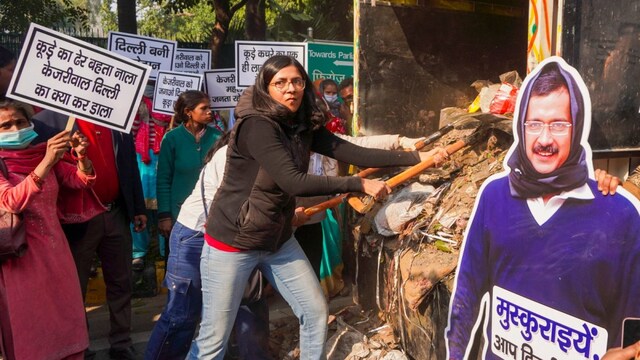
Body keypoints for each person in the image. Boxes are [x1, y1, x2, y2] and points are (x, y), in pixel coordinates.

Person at [187, 55, 447, 359]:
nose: (290, 89)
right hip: (232, 242)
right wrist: (356, 184)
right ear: (266, 88)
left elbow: (350, 150)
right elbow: (293, 181)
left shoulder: (302, 123)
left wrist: (417, 158)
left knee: (314, 312)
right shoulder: (257, 125)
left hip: (277, 238)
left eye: (297, 81)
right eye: (280, 83)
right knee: (213, 340)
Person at [445, 57, 640, 360]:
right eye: (534, 124)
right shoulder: (495, 197)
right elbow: (466, 295)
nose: (544, 139)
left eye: (558, 125)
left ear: (576, 129)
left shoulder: (618, 215)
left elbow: (632, 327)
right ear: (522, 126)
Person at [145, 131, 284, 360]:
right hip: (196, 237)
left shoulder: (261, 154)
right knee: (182, 315)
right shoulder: (232, 155)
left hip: (233, 237)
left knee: (248, 302)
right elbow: (234, 207)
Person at [32, 110, 148, 359]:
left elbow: (129, 166)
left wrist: (137, 207)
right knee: (76, 286)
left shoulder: (116, 120)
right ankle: (79, 345)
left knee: (121, 281)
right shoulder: (48, 121)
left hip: (116, 212)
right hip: (77, 221)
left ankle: (121, 341)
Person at [0, 100, 100, 359]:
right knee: (32, 326)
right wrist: (46, 161)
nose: (15, 128)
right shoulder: (11, 163)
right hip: (21, 260)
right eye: (5, 125)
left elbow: (81, 180)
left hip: (56, 253)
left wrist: (81, 155)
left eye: (20, 122)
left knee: (65, 317)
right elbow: (11, 201)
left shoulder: (43, 153)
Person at [156, 90, 222, 254]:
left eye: (210, 108)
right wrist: (165, 216)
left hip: (213, 214)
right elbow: (163, 179)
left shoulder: (218, 137)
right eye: (203, 108)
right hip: (179, 214)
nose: (209, 112)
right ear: (188, 112)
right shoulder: (172, 139)